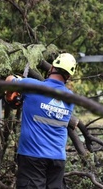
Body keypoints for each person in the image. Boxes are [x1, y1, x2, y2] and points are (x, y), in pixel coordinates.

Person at [5, 53, 77, 189]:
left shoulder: (32, 86)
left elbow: (9, 80)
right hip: (57, 159)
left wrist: (10, 97)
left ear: (52, 68)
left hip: (32, 156)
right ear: (68, 76)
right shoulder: (69, 98)